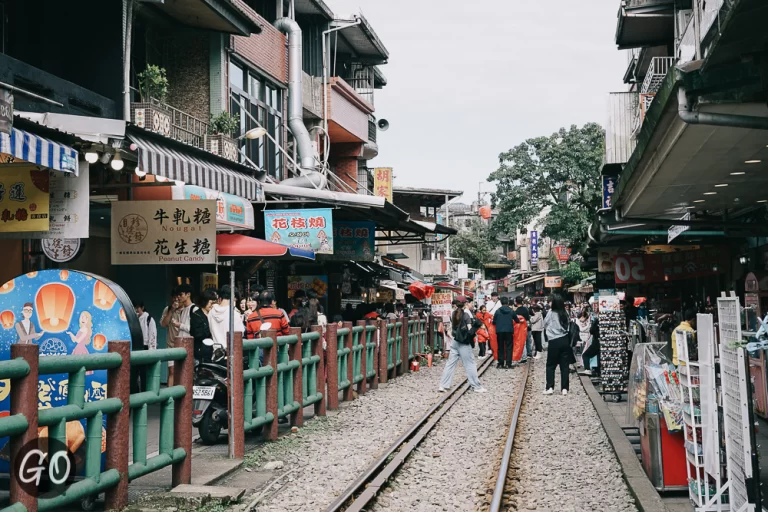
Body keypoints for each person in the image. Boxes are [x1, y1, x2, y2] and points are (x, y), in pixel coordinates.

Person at [438, 297, 487, 393]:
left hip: (455, 342)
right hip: (464, 343)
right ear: (465, 304)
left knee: (450, 364)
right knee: (470, 364)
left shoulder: (453, 313)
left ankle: (443, 385)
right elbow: (469, 331)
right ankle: (476, 386)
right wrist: (476, 327)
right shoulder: (466, 315)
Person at [543, 295, 571, 396]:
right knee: (564, 365)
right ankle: (564, 388)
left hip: (554, 341)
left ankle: (550, 387)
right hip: (564, 340)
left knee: (550, 365)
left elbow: (545, 324)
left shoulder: (551, 313)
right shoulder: (565, 313)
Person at [160, 289, 183, 385]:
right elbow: (163, 324)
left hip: (183, 345)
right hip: (171, 345)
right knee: (172, 371)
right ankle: (170, 398)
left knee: (183, 373)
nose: (176, 299)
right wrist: (171, 310)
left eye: (178, 297)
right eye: (174, 297)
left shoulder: (187, 309)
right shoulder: (167, 309)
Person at [493, 297, 519, 369]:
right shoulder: (511, 311)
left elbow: (494, 322)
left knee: (500, 347)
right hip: (509, 331)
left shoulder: (497, 311)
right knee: (509, 347)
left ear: (501, 302)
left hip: (499, 331)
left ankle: (501, 363)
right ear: (507, 303)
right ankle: (508, 364)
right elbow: (517, 320)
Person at [485, 292, 501, 359]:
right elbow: (486, 311)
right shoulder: (489, 303)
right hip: (490, 321)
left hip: (498, 321)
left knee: (497, 334)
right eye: (492, 296)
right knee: (490, 335)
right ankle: (490, 348)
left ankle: (497, 347)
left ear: (497, 296)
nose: (493, 298)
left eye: (495, 296)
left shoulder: (500, 303)